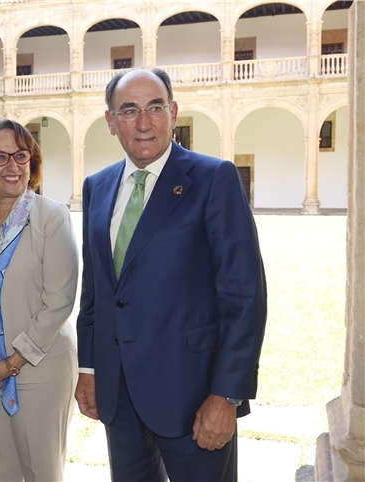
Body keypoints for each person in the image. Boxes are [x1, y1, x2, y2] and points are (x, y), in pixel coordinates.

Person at [75, 68, 267, 481]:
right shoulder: (97, 186)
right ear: (110, 121)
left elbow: (244, 296)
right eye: (129, 110)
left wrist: (227, 396)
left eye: (155, 107)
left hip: (193, 397)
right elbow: (95, 292)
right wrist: (89, 369)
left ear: (173, 112)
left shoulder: (213, 178)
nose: (144, 123)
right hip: (118, 394)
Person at [0, 118, 79, 481]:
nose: (13, 166)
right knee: (1, 470)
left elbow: (59, 301)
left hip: (40, 369)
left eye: (21, 155)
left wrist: (11, 363)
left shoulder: (50, 217)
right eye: (1, 156)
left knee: (41, 472)